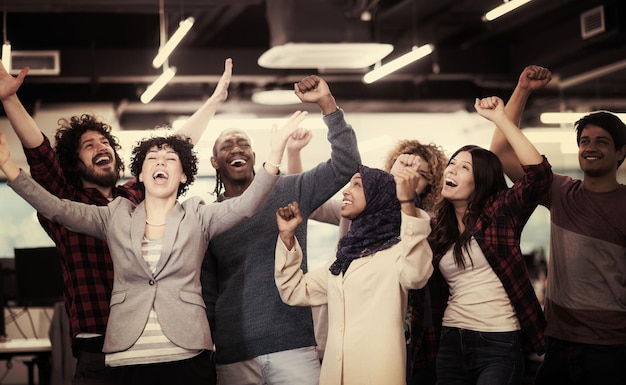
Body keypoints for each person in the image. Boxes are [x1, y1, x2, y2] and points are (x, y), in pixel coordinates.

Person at [0, 109, 307, 385]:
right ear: (141, 175)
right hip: (126, 357)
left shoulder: (198, 214)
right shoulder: (114, 216)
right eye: (153, 160)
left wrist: (276, 154)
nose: (161, 162)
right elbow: (56, 208)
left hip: (187, 355)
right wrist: (10, 170)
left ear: (184, 174)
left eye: (170, 159)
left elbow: (248, 205)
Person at [0, 57, 233, 384]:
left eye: (105, 142)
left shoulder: (135, 197)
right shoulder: (67, 201)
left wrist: (214, 102)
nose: (101, 147)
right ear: (73, 161)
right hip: (99, 348)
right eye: (88, 145)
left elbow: (177, 149)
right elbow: (39, 153)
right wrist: (9, 99)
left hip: (156, 344)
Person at [201, 74, 361, 385]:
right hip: (234, 352)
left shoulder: (289, 189)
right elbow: (208, 292)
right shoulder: (210, 217)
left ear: (254, 156)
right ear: (215, 161)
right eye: (227, 145)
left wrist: (326, 104)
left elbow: (345, 163)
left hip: (293, 345)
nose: (237, 148)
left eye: (243, 143)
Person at [490, 65, 626, 385]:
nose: (590, 148)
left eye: (601, 142)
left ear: (621, 152)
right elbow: (499, 152)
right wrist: (522, 90)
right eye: (585, 141)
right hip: (559, 344)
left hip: (613, 349)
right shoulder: (560, 191)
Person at [286, 134, 447, 384]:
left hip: (413, 336)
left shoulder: (426, 223)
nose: (408, 176)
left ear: (432, 183)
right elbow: (309, 203)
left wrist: (403, 198)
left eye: (421, 174)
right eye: (401, 168)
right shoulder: (350, 242)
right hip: (347, 346)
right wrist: (294, 154)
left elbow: (415, 268)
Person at [428, 95, 553, 384]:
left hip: (499, 340)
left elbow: (539, 176)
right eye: (452, 164)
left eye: (464, 168)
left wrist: (500, 119)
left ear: (481, 180)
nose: (451, 170)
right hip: (452, 339)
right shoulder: (437, 227)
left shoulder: (500, 214)